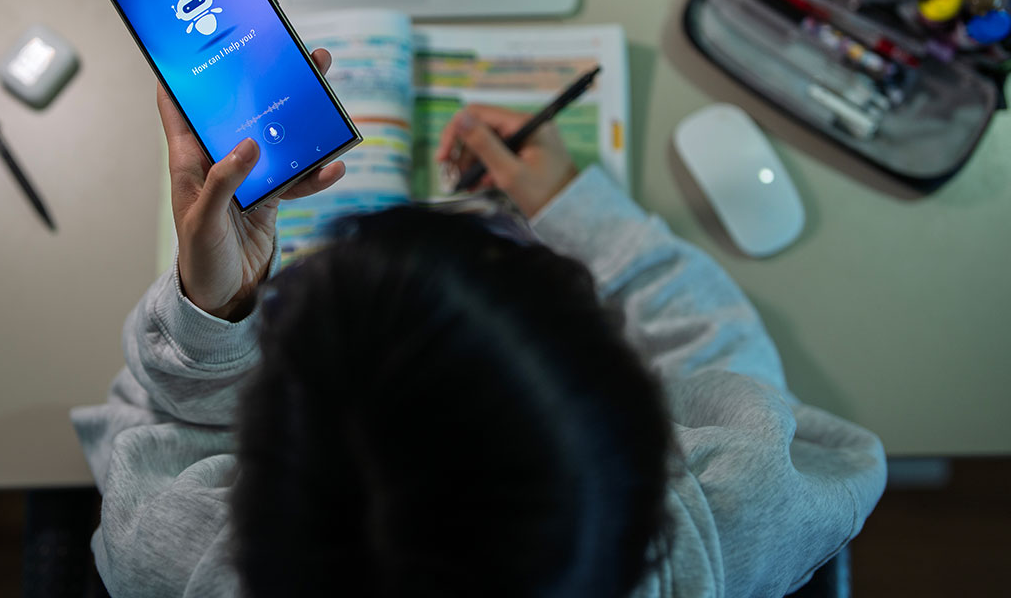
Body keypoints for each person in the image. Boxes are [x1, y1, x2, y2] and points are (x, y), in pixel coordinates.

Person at [72, 49, 887, 597]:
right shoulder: (722, 529)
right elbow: (741, 380)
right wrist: (581, 213)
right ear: (645, 442)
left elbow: (137, 435)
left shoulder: (178, 555)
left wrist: (218, 313)